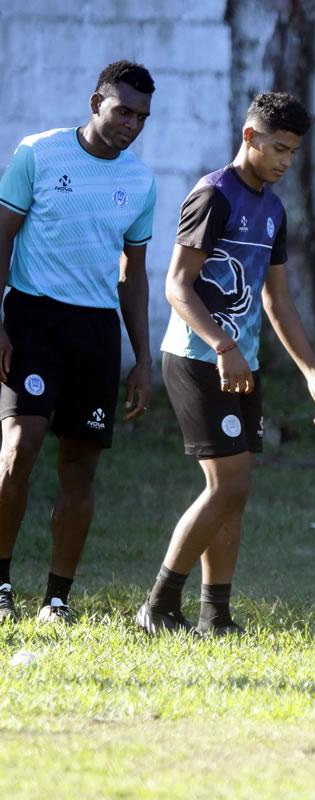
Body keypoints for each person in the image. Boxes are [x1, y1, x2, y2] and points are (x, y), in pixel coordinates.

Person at [135, 92, 315, 636]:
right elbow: (177, 287)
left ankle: (215, 614)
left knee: (237, 488)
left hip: (239, 364)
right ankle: (157, 605)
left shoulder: (272, 208)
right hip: (200, 357)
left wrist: (311, 372)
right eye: (278, 148)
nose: (285, 161)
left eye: (293, 153)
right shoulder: (213, 196)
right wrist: (224, 347)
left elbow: (278, 301)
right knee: (227, 484)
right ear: (249, 137)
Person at [0, 60, 157, 624]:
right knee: (20, 447)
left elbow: (132, 276)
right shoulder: (37, 154)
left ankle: (57, 599)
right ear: (96, 104)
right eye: (122, 112)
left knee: (80, 467)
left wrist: (142, 359)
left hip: (95, 331)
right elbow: (2, 240)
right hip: (33, 319)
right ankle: (1, 585)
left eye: (141, 117)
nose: (132, 125)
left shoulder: (139, 182)